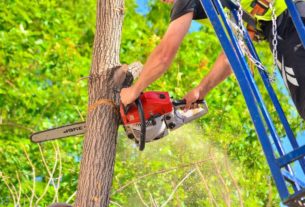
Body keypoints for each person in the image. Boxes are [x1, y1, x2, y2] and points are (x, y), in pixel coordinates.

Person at [120, 0, 305, 120]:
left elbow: (164, 54)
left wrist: (133, 91)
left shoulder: (186, 2)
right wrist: (201, 90)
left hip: (291, 20)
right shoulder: (212, 6)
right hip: (283, 23)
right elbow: (232, 53)